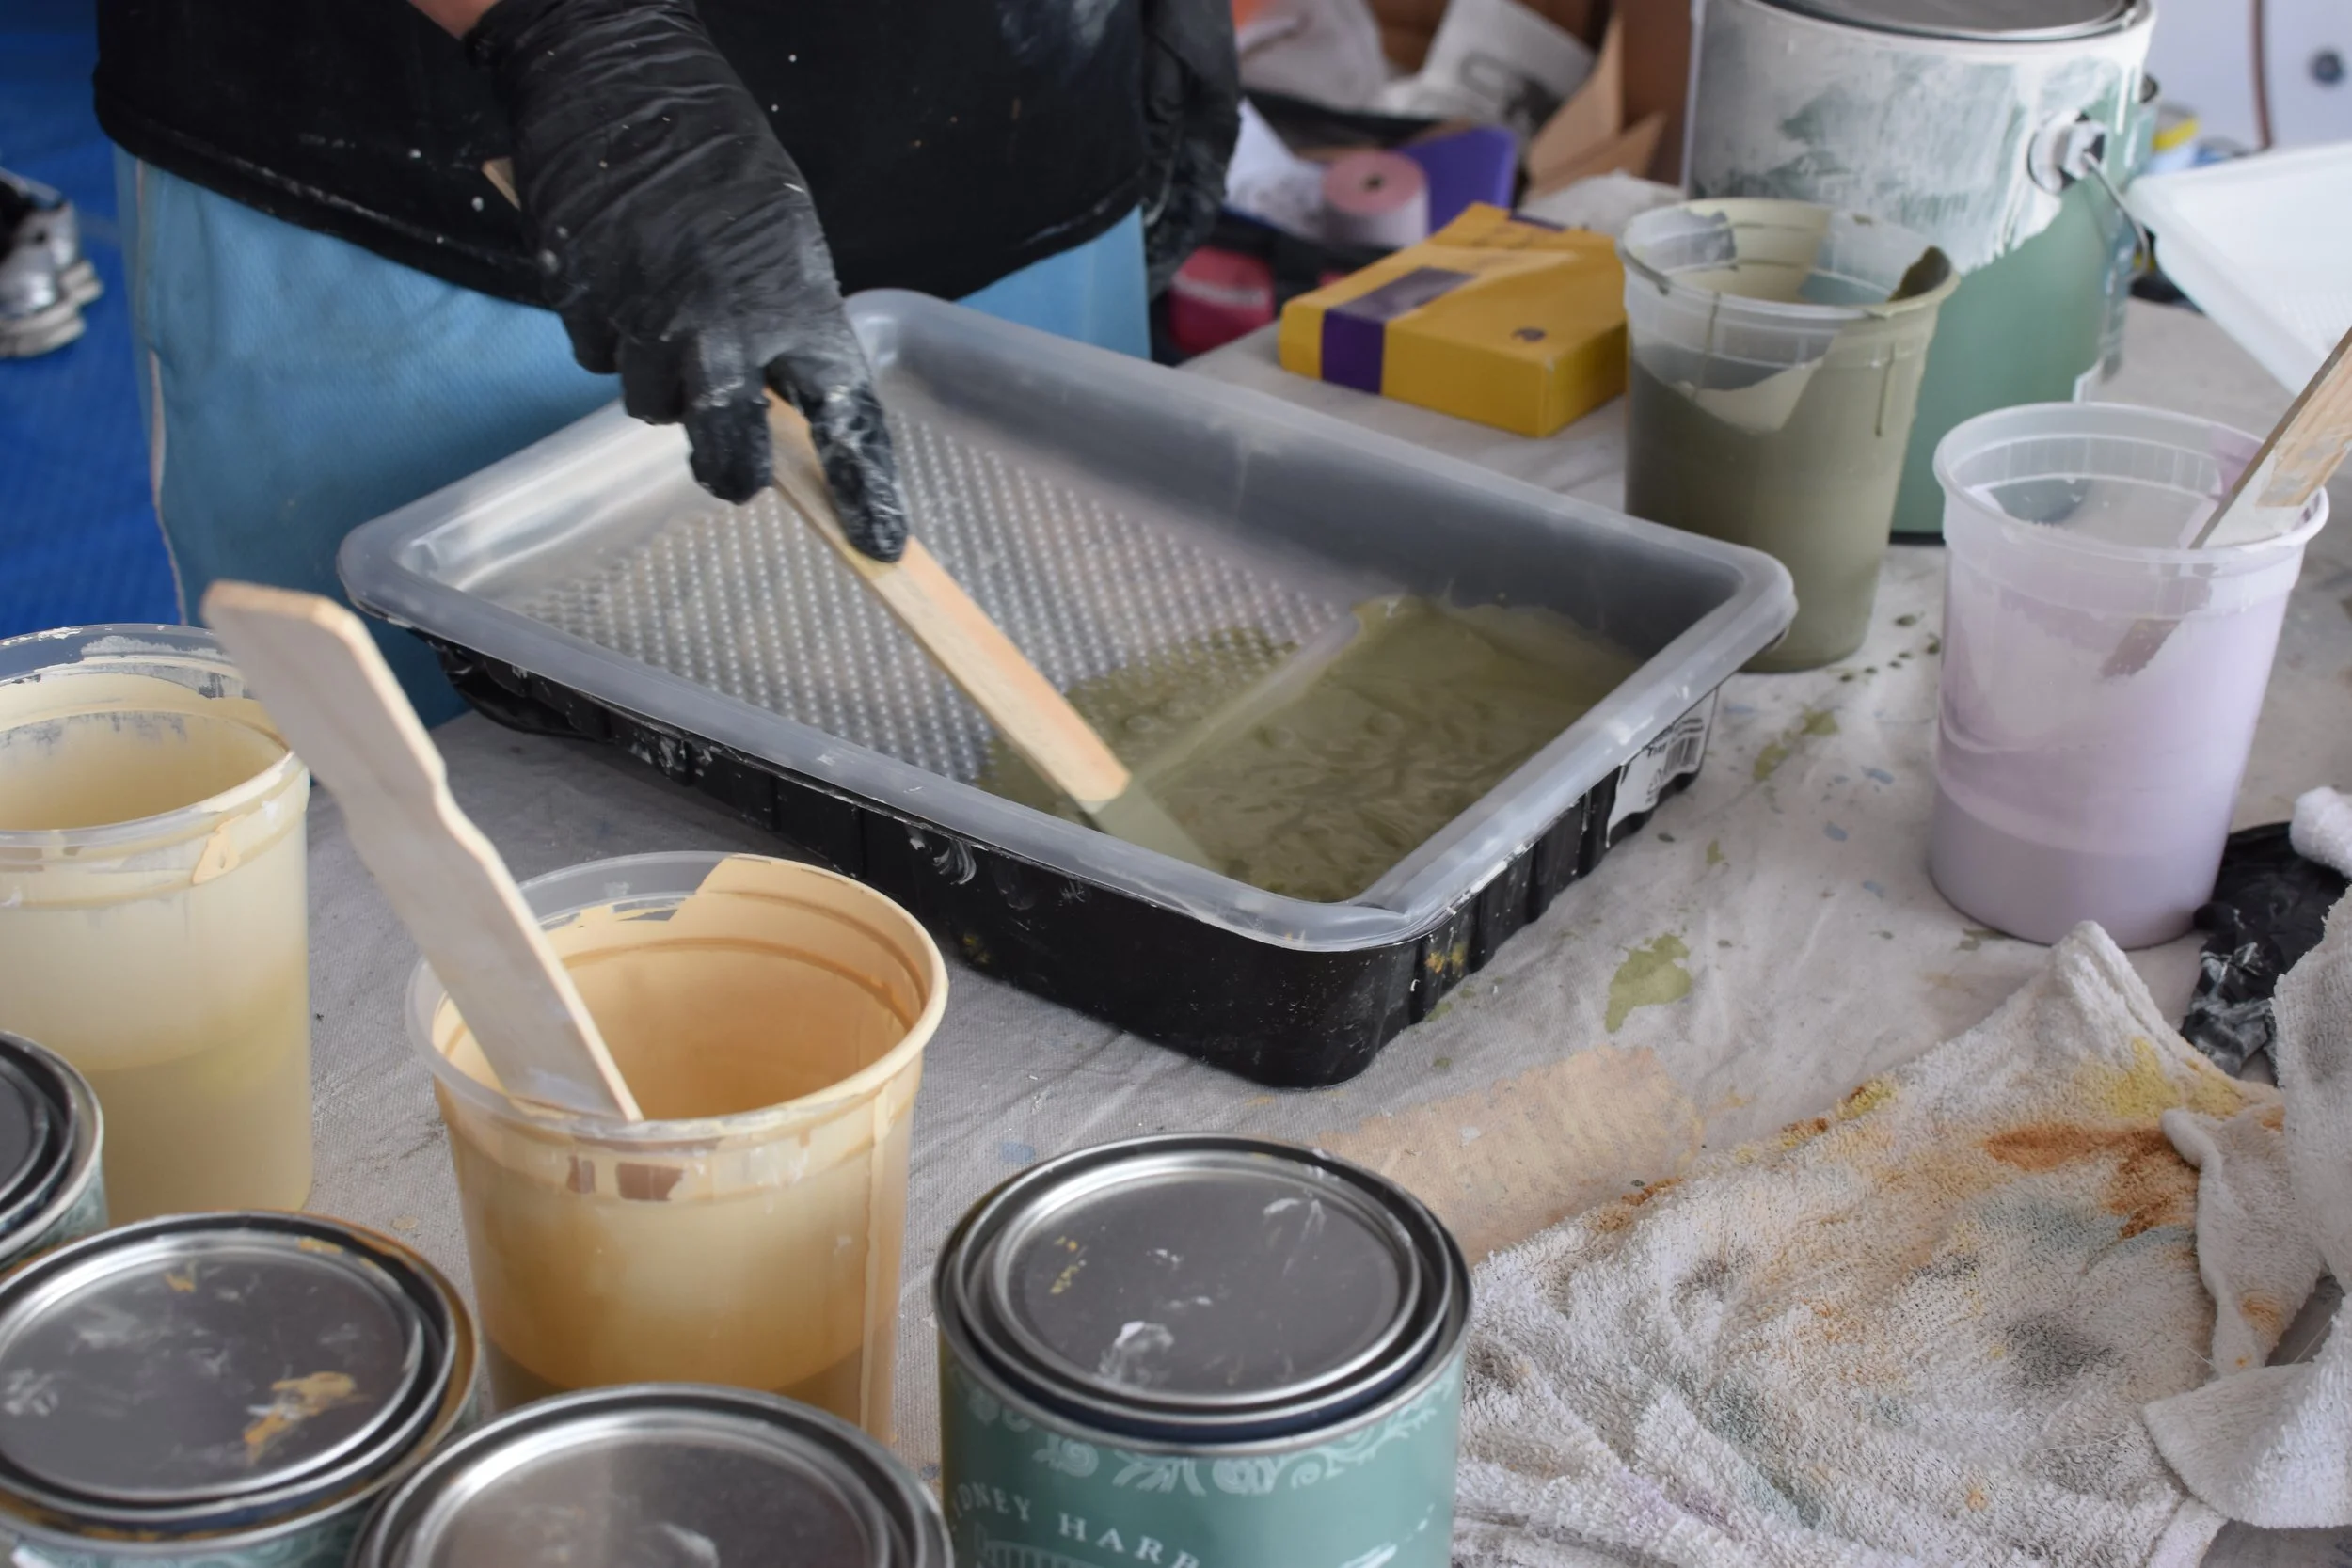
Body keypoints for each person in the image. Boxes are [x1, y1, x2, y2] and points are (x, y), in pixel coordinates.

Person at [92, 0, 1238, 713]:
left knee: (1082, 692)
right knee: (439, 860)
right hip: (473, 177)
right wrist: (575, 26)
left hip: (1020, 97)